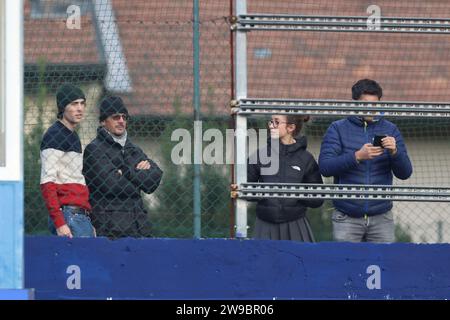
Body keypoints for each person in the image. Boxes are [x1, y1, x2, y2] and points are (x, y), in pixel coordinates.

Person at [319, 79, 413, 243]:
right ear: (354, 103)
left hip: (381, 217)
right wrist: (357, 156)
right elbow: (325, 167)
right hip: (346, 216)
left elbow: (405, 173)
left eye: (375, 104)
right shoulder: (337, 128)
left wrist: (395, 152)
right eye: (365, 104)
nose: (371, 109)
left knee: (382, 265)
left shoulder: (391, 129)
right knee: (345, 265)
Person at [83, 96, 163, 238]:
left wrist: (124, 172)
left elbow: (154, 179)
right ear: (103, 121)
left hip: (139, 228)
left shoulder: (133, 149)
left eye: (124, 117)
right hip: (108, 230)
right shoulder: (94, 150)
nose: (121, 121)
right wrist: (138, 176)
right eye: (115, 117)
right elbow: (110, 185)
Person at [247, 114, 324, 241]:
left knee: (299, 259)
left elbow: (317, 199)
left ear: (290, 128)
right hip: (265, 224)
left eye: (276, 122)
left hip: (296, 224)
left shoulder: (306, 159)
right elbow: (245, 190)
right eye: (270, 121)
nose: (271, 125)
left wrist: (295, 195)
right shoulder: (260, 155)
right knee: (262, 260)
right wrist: (266, 193)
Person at [40, 84, 95, 238]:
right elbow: (47, 182)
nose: (80, 108)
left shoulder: (73, 136)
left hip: (79, 216)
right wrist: (60, 223)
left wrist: (86, 222)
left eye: (82, 103)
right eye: (74, 104)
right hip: (68, 216)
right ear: (63, 107)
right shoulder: (54, 135)